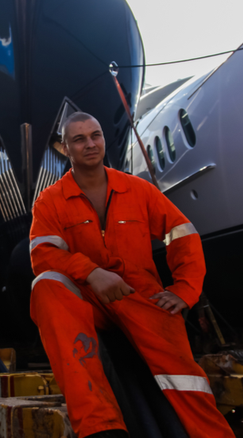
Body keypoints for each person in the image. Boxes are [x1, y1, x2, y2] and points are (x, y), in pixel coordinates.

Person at [29, 112, 234, 438]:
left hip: (138, 295)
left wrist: (184, 290)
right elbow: (43, 255)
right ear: (66, 148)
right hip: (88, 301)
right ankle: (100, 428)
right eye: (79, 139)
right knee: (46, 285)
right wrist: (92, 272)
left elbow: (183, 234)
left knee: (182, 374)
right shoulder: (50, 202)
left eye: (95, 135)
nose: (90, 144)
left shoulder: (139, 191)